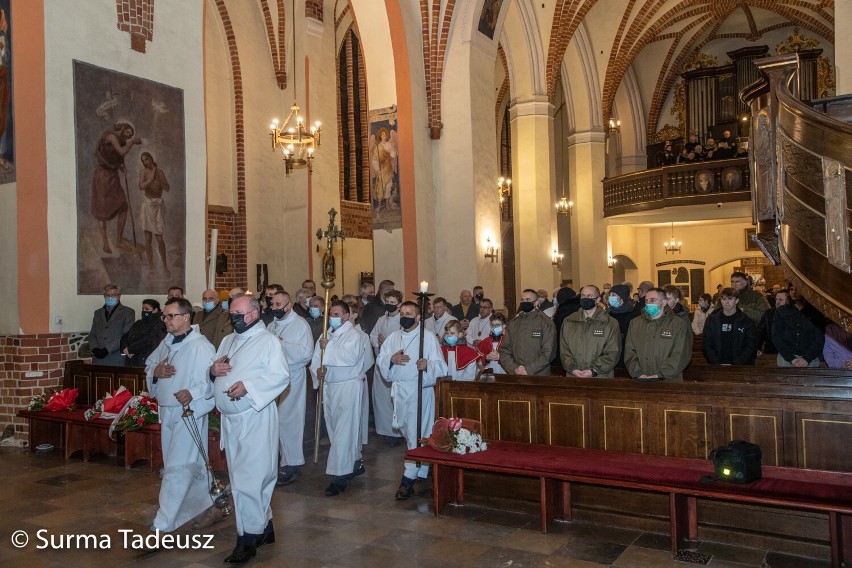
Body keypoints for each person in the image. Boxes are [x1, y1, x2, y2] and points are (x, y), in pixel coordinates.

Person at [210, 295, 290, 563]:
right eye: (231, 312)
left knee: (250, 479)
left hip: (255, 417)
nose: (232, 317)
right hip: (231, 420)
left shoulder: (268, 342)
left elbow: (280, 376)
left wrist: (249, 387)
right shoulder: (228, 339)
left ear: (254, 314)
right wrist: (212, 371)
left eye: (237, 313)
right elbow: (215, 366)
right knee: (243, 475)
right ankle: (265, 527)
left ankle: (247, 539)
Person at [145, 297, 216, 533]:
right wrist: (155, 372)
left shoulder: (200, 346)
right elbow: (149, 366)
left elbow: (209, 380)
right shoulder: (166, 343)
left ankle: (163, 524)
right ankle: (209, 503)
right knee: (188, 464)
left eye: (171, 316)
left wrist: (192, 393)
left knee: (177, 467)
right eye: (164, 316)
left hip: (188, 412)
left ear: (186, 317)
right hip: (166, 410)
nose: (166, 320)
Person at [376, 300, 447, 500]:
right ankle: (423, 470)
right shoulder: (393, 338)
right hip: (400, 392)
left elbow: (441, 366)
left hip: (420, 392)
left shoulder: (428, 338)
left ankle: (407, 478)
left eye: (409, 313)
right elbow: (381, 359)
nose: (404, 316)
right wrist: (391, 360)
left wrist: (427, 365)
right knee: (409, 433)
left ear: (417, 318)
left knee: (418, 433)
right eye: (402, 312)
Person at [310, 301, 373, 496]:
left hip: (348, 386)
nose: (334, 317)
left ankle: (338, 476)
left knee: (344, 431)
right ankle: (354, 462)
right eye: (331, 314)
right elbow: (315, 359)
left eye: (337, 314)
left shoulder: (354, 335)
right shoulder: (325, 334)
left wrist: (327, 349)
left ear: (346, 316)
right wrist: (317, 372)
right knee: (335, 429)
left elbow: (350, 358)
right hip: (329, 386)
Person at [267, 291, 313, 487]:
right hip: (272, 378)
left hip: (292, 376)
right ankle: (280, 460)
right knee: (274, 421)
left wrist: (282, 345)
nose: (275, 308)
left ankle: (292, 463)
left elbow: (306, 353)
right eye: (273, 304)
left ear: (289, 305)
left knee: (289, 419)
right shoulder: (271, 325)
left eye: (279, 304)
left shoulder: (300, 324)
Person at [92, 122, 142, 254]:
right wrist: (131, 142)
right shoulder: (111, 136)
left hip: (113, 176)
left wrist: (121, 166)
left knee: (123, 206)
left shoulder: (121, 141)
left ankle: (119, 240)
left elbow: (114, 157)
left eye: (131, 135)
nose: (129, 136)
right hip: (102, 177)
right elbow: (120, 151)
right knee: (101, 212)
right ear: (123, 129)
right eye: (128, 133)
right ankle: (105, 244)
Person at [624, 287, 692, 381]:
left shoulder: (678, 324)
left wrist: (660, 374)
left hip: (668, 380)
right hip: (641, 379)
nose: (649, 304)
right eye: (647, 301)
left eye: (653, 300)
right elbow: (629, 351)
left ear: (664, 302)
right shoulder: (635, 323)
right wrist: (637, 372)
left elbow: (681, 354)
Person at [560, 285, 621, 378]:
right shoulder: (569, 321)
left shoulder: (610, 323)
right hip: (574, 376)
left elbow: (613, 352)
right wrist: (573, 369)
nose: (585, 298)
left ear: (597, 299)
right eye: (583, 296)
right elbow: (564, 349)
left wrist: (594, 370)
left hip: (600, 377)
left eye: (589, 296)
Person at [370, 290, 404, 445]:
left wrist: (387, 345)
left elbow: (403, 342)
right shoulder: (381, 319)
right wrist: (378, 341)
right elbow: (372, 336)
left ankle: (396, 433)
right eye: (387, 302)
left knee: (393, 399)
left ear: (399, 304)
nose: (389, 305)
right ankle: (384, 431)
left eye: (393, 303)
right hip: (381, 363)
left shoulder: (402, 321)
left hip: (395, 364)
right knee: (381, 399)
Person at [499, 289, 557, 375]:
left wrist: (529, 370)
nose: (524, 302)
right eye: (522, 300)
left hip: (539, 375)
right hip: (516, 374)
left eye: (528, 300)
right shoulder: (513, 323)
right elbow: (504, 350)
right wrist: (514, 368)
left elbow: (548, 352)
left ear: (536, 302)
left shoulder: (546, 323)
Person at [702, 288, 759, 365]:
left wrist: (736, 363)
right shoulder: (712, 320)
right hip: (717, 366)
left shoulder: (746, 321)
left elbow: (750, 345)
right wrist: (717, 362)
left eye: (730, 299)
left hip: (740, 367)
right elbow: (707, 344)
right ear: (720, 301)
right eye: (724, 299)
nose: (727, 302)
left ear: (737, 301)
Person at [138, 152, 171, 276]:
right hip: (147, 205)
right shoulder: (143, 172)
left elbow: (167, 188)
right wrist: (151, 179)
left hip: (157, 205)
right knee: (148, 238)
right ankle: (151, 268)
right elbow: (141, 186)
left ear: (151, 159)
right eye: (143, 161)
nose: (146, 162)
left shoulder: (160, 172)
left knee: (159, 238)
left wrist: (160, 180)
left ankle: (165, 267)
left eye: (147, 159)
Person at [90, 283, 136, 366]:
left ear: (119, 296)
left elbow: (126, 335)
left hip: (116, 358)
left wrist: (107, 349)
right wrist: (94, 348)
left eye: (113, 295)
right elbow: (93, 333)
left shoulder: (128, 312)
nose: (110, 297)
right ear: (104, 296)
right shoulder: (98, 313)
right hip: (98, 359)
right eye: (108, 295)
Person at [772, 297, 825, 368]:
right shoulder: (781, 311)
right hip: (786, 357)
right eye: (791, 289)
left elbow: (819, 338)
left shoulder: (816, 312)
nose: (794, 292)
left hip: (810, 357)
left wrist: (807, 358)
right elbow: (776, 337)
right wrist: (791, 358)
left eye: (796, 289)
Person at [120, 299, 166, 367]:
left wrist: (131, 349)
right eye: (143, 309)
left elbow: (149, 340)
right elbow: (125, 337)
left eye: (147, 309)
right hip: (132, 359)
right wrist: (125, 347)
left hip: (146, 359)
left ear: (155, 310)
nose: (144, 311)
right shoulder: (138, 323)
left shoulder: (159, 324)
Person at [605, 284, 637, 368]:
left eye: (614, 295)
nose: (610, 297)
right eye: (610, 295)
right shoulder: (607, 314)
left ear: (622, 297)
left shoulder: (632, 316)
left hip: (625, 355)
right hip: (609, 355)